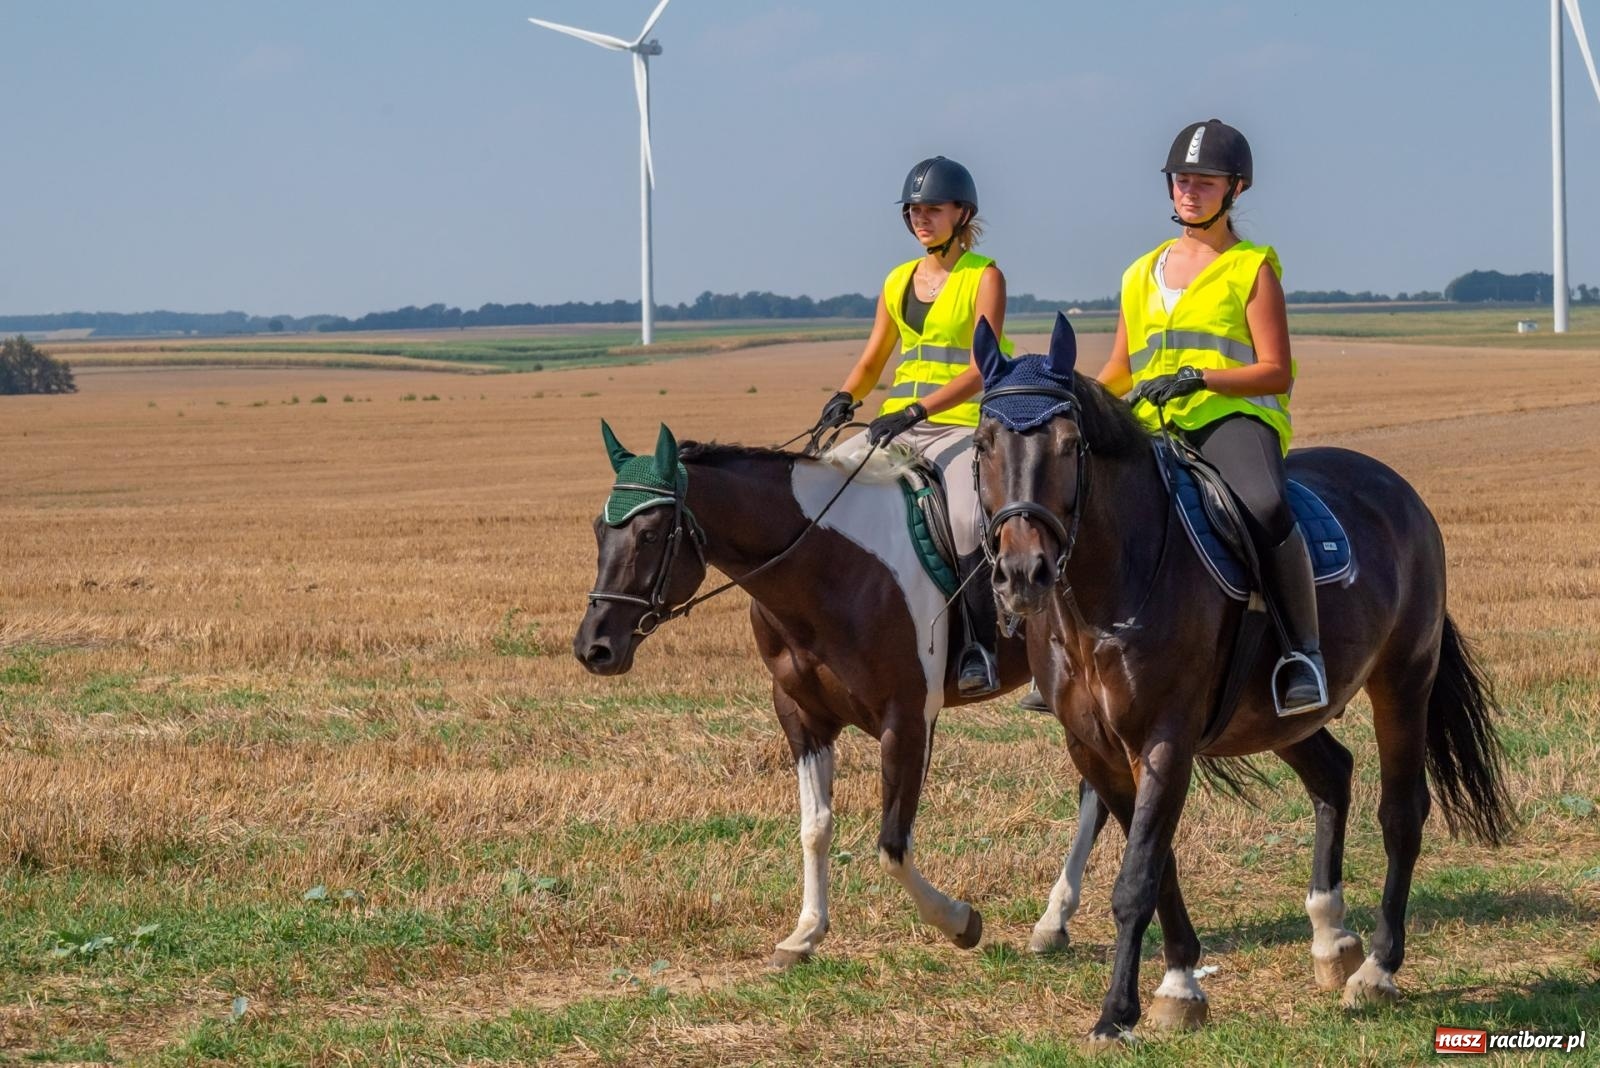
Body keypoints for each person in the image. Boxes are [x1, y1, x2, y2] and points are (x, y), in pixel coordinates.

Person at [1096, 119, 1327, 716]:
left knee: (1267, 506)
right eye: (1180, 180)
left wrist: (1200, 377)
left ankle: (1302, 653)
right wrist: (1077, 398)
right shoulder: (1138, 273)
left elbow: (1276, 371)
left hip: (1232, 421)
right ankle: (1067, 655)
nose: (1188, 191)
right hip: (1152, 422)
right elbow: (1121, 367)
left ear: (1236, 189)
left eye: (1204, 181)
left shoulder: (1252, 269)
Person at [815, 156, 1014, 696]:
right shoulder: (897, 279)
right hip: (897, 424)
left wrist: (921, 410)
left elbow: (981, 368)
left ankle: (979, 645)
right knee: (822, 488)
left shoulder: (984, 276)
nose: (920, 218)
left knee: (969, 521)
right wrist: (844, 397)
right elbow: (874, 356)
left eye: (932, 209)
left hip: (960, 426)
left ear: (961, 213)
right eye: (913, 210)